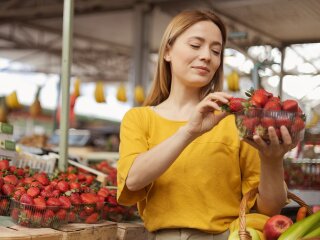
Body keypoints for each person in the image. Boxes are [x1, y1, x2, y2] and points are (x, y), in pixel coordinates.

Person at [117, 9, 295, 240]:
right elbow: (133, 179)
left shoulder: (235, 120)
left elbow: (269, 209)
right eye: (195, 45)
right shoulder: (139, 118)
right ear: (168, 51)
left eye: (216, 51)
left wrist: (273, 161)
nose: (206, 56)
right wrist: (189, 132)